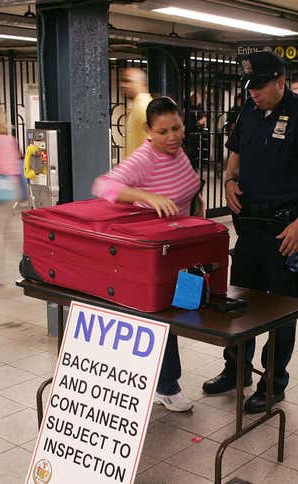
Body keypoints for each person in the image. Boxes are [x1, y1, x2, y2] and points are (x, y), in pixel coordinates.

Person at [202, 51, 298, 414]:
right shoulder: (248, 111)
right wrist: (228, 179)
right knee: (238, 304)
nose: (254, 93)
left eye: (260, 86)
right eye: (250, 87)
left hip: (285, 229)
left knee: (280, 310)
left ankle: (273, 383)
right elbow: (235, 151)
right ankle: (236, 369)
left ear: (279, 80)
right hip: (251, 229)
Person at [92, 97, 202, 412]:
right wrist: (144, 195)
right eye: (163, 131)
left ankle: (155, 381)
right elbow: (103, 186)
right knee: (160, 316)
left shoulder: (178, 152)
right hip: (152, 253)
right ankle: (167, 386)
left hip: (179, 246)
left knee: (179, 312)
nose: (172, 137)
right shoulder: (144, 158)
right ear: (148, 131)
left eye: (177, 128)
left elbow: (183, 188)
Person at [0, 105, 21, 285]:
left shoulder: (0, 141)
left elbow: (6, 168)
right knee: (2, 234)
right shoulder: (6, 139)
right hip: (6, 191)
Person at [121, 67, 153, 156]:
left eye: (128, 81)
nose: (122, 84)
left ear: (141, 83)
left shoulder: (143, 106)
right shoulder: (137, 105)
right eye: (122, 81)